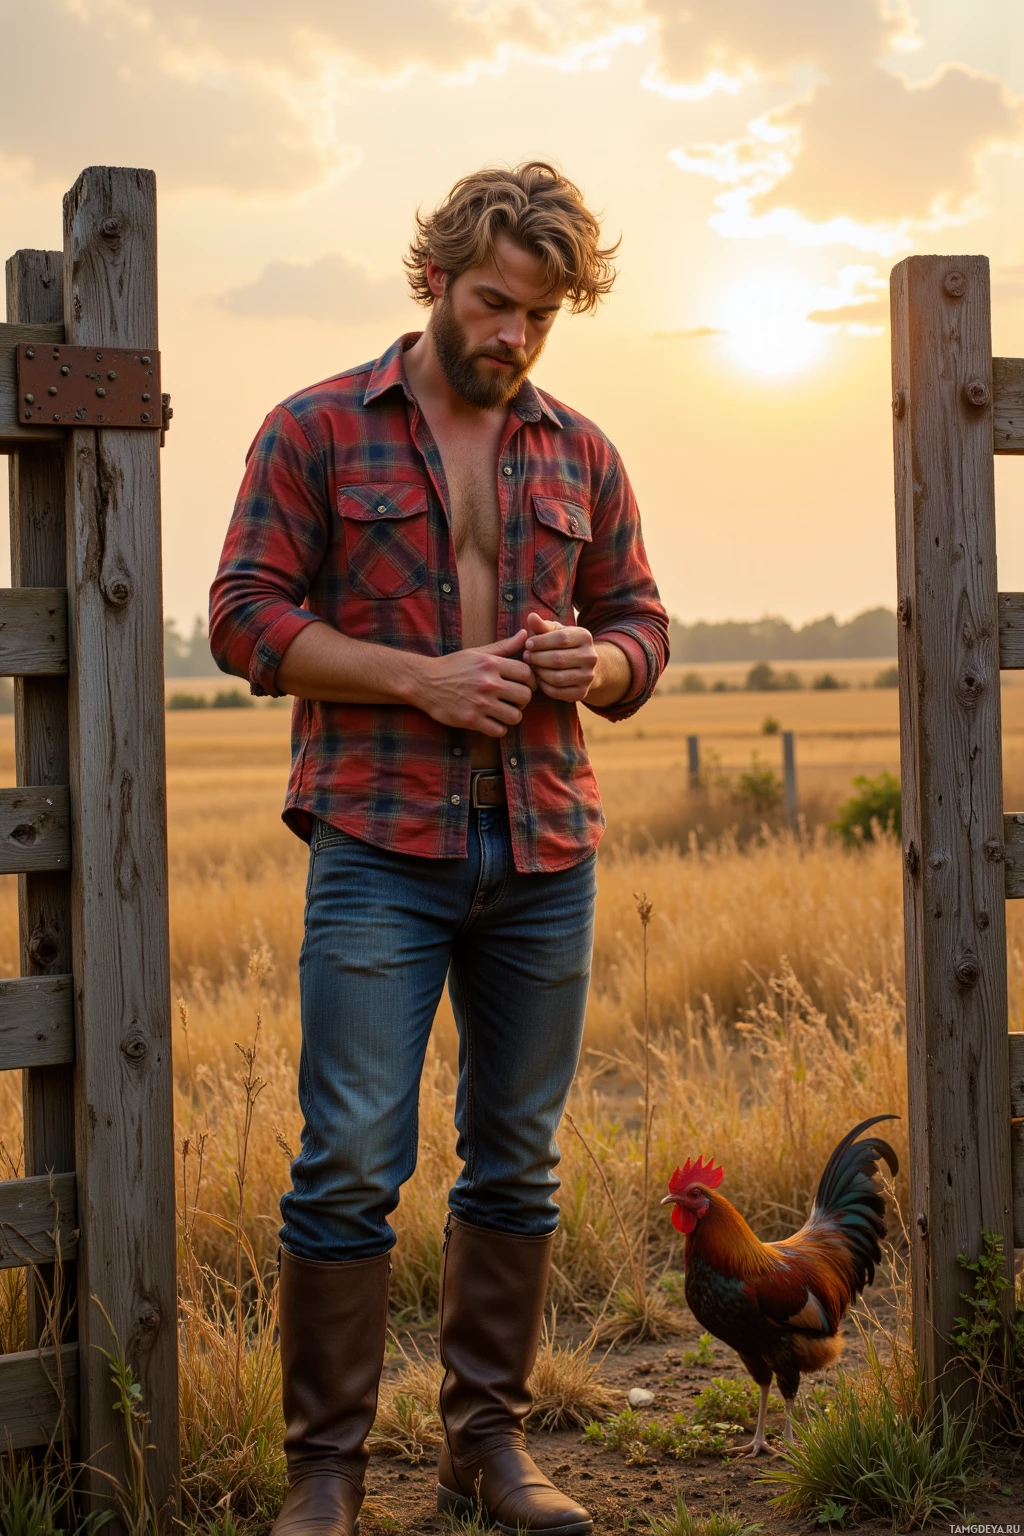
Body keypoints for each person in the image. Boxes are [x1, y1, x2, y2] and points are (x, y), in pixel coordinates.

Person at [209, 161, 669, 1536]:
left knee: (516, 1159)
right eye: (493, 304)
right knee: (351, 1155)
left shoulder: (582, 450)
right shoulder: (313, 429)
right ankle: (327, 1474)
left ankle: (487, 1447)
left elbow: (646, 626)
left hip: (546, 851)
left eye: (540, 316)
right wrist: (420, 678)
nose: (514, 337)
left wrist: (601, 665)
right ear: (433, 278)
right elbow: (242, 620)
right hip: (380, 843)